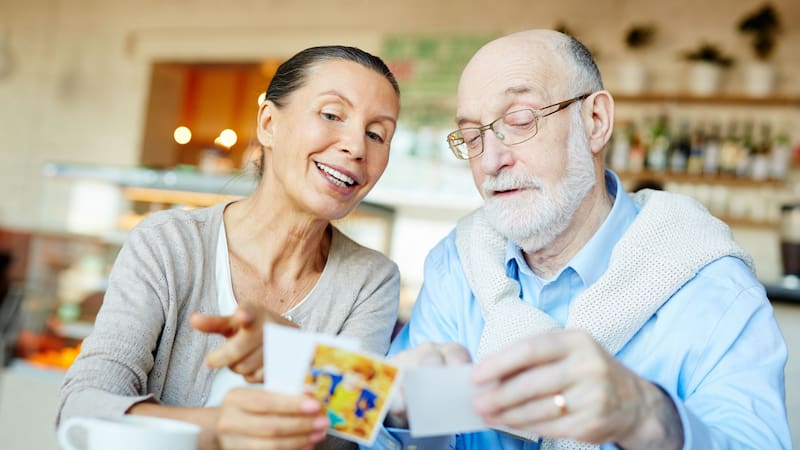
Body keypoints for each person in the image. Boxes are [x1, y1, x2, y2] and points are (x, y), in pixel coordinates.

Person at [372, 30, 791, 449]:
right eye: (472, 137)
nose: (491, 160)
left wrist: (646, 416)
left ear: (595, 122)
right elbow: (403, 435)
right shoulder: (457, 265)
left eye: (519, 120)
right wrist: (402, 412)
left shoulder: (710, 286)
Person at [57, 45, 402, 450]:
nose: (357, 147)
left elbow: (344, 433)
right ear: (269, 123)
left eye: (377, 134)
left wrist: (290, 353)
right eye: (331, 115)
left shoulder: (371, 280)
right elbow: (82, 407)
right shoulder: (168, 243)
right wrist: (215, 428)